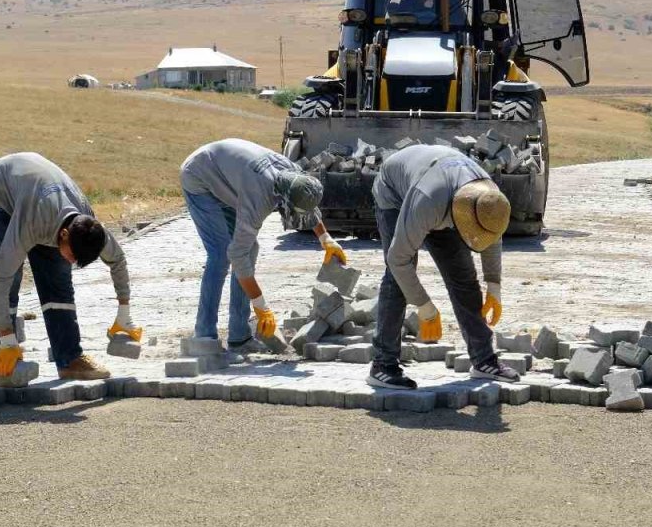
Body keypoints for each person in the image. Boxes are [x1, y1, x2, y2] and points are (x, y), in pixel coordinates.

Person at [367, 144, 519, 390]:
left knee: (463, 276)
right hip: (395, 193)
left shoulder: (488, 197)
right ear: (461, 216)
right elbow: (398, 259)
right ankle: (382, 365)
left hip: (441, 187)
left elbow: (492, 233)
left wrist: (494, 284)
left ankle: (483, 360)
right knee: (398, 276)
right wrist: (424, 306)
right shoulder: (427, 202)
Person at [0, 152, 135, 386]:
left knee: (58, 279)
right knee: (11, 278)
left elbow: (118, 260)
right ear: (64, 235)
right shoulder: (31, 223)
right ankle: (0, 357)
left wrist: (124, 312)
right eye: (73, 255)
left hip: (38, 194)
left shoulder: (87, 224)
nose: (73, 262)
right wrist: (8, 338)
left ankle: (70, 359)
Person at [180, 139, 347, 354]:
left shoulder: (293, 175)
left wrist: (326, 239)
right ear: (285, 202)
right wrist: (261, 307)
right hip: (200, 177)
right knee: (222, 255)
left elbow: (307, 205)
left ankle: (239, 337)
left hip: (229, 177)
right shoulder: (259, 199)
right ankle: (204, 337)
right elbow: (237, 254)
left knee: (250, 249)